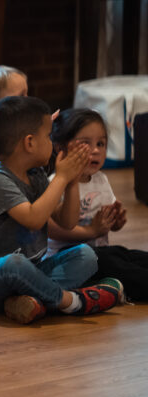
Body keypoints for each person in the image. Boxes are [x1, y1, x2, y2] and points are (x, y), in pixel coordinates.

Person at [0, 96, 122, 324]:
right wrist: (62, 177)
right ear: (29, 143)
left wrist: (72, 182)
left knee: (86, 255)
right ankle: (72, 302)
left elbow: (67, 222)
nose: (51, 143)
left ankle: (34, 301)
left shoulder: (36, 175)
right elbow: (34, 219)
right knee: (13, 263)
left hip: (33, 271)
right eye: (48, 136)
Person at [47, 109, 148, 299]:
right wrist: (92, 231)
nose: (95, 150)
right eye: (85, 144)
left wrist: (115, 222)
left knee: (128, 255)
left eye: (100, 143)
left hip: (102, 252)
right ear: (60, 148)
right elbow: (51, 230)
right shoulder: (56, 182)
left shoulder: (100, 179)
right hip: (70, 259)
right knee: (119, 266)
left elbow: (104, 223)